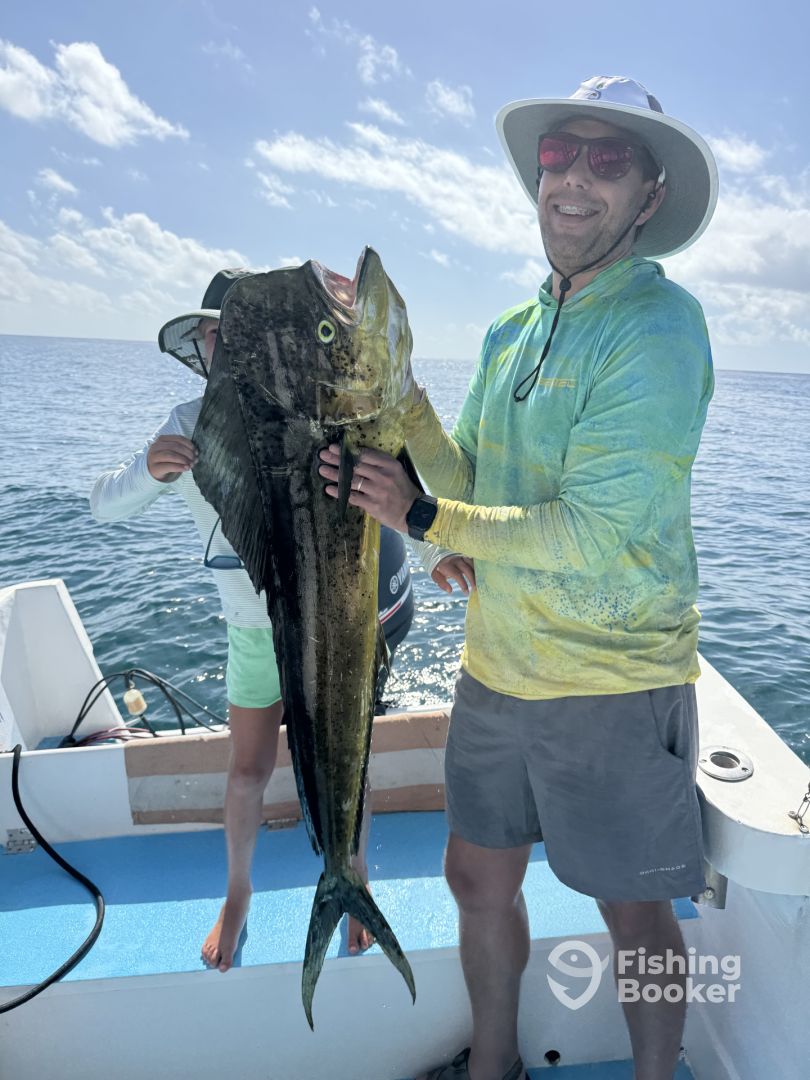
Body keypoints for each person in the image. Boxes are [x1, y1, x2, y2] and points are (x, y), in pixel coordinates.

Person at [319, 75, 718, 1080]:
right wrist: (402, 395)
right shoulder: (509, 331)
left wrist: (423, 519)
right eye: (558, 156)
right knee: (474, 879)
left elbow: (593, 532)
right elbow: (468, 478)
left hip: (613, 682)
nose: (575, 178)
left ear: (650, 194)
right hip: (496, 671)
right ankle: (494, 1065)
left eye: (607, 159)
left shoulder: (659, 328)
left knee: (636, 911)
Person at [90, 270, 415, 971]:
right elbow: (103, 505)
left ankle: (352, 875)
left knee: (346, 761)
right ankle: (237, 893)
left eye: (236, 332)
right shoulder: (186, 423)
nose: (223, 343)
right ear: (201, 345)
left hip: (331, 622)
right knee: (247, 770)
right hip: (252, 633)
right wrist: (149, 469)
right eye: (213, 334)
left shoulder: (309, 408)